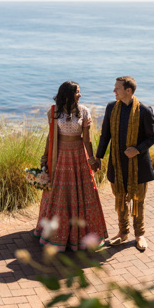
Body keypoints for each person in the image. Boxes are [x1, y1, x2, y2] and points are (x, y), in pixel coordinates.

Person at [33, 81, 109, 250]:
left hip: (78, 156)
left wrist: (92, 159)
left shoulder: (84, 111)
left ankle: (81, 235)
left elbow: (87, 139)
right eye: (77, 92)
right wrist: (45, 156)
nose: (80, 95)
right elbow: (50, 136)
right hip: (59, 157)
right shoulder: (54, 112)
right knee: (59, 193)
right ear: (67, 94)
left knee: (83, 192)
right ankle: (58, 234)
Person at [95, 76, 154, 252]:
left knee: (138, 201)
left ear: (128, 91)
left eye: (117, 89)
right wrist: (98, 157)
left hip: (138, 165)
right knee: (120, 199)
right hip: (117, 163)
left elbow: (152, 136)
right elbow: (105, 135)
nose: (114, 91)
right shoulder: (111, 108)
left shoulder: (144, 111)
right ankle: (123, 232)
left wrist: (137, 149)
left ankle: (139, 235)